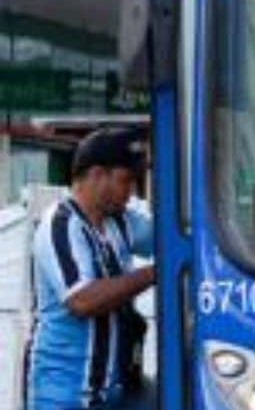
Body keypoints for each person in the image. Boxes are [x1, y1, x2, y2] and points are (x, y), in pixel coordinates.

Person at [27, 128, 156, 410]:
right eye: (125, 181)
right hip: (64, 399)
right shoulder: (61, 225)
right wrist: (153, 274)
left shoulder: (120, 221)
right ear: (97, 175)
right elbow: (82, 301)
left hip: (111, 394)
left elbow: (171, 237)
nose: (131, 191)